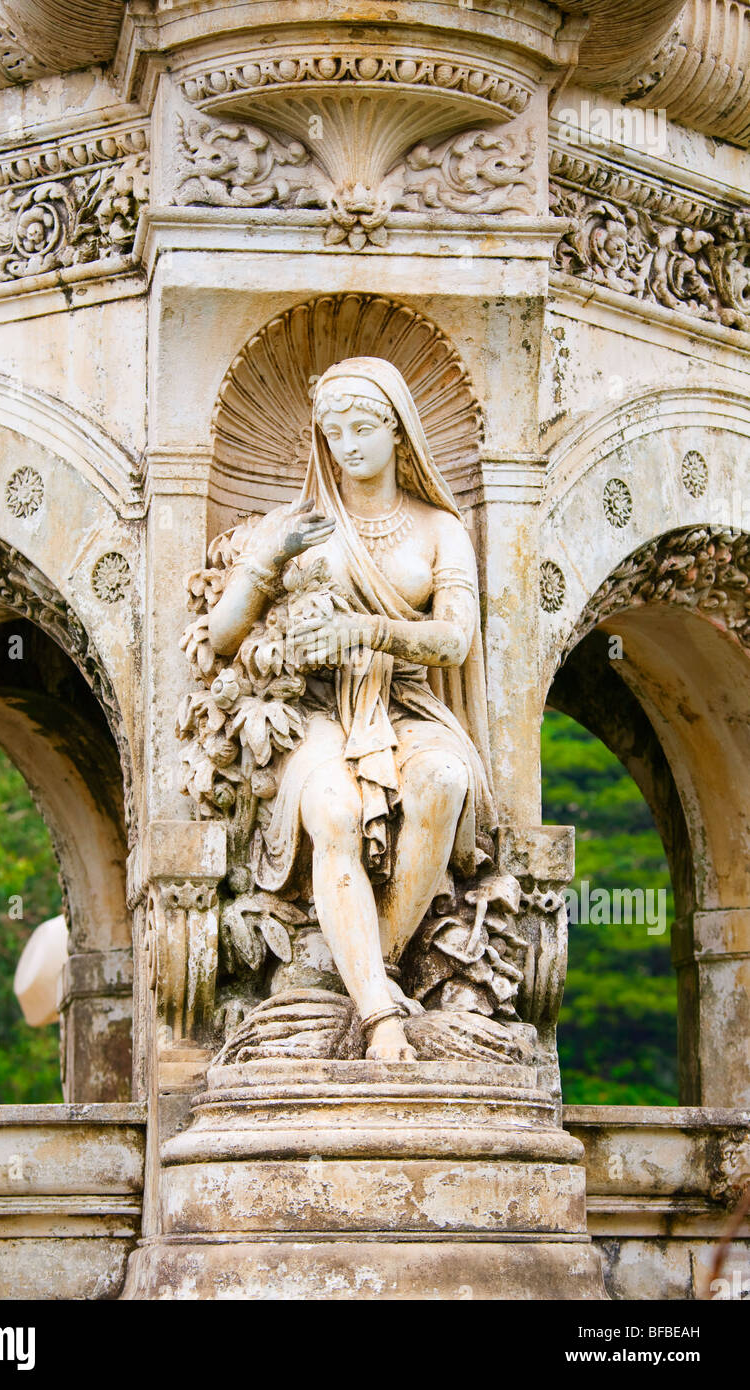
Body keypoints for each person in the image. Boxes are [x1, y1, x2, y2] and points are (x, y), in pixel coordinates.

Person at [208, 357, 495, 1061]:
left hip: (402, 704)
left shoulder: (438, 531)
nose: (348, 446)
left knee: (444, 783)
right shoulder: (298, 527)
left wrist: (365, 632)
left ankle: (369, 969)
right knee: (333, 806)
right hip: (314, 713)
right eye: (333, 433)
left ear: (399, 432)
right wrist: (266, 562)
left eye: (363, 428)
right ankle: (378, 1016)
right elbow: (222, 636)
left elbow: (455, 639)